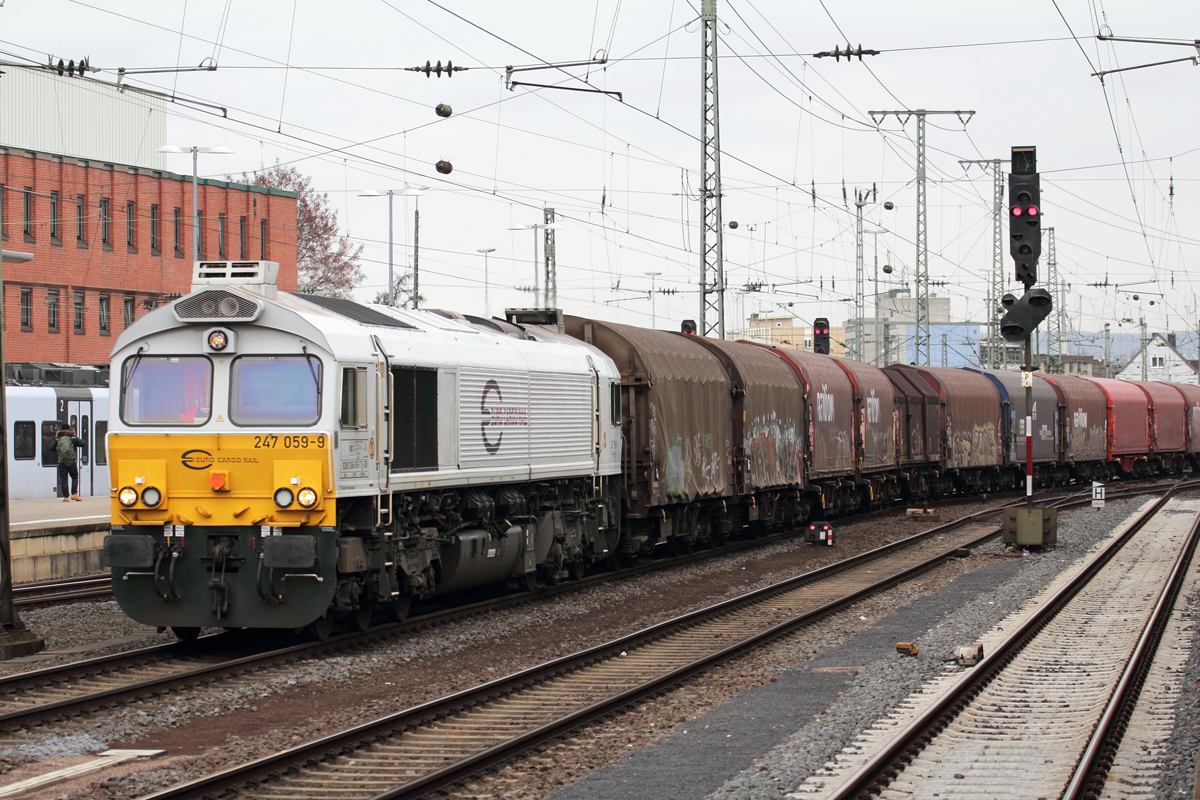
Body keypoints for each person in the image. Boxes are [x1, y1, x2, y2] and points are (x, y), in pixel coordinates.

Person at [55, 423, 84, 502]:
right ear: (69, 429)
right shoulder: (72, 438)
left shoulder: (58, 438)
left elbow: (51, 447)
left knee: (64, 479)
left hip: (62, 462)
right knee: (74, 477)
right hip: (71, 461)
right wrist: (75, 440)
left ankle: (66, 497)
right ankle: (74, 494)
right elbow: (82, 443)